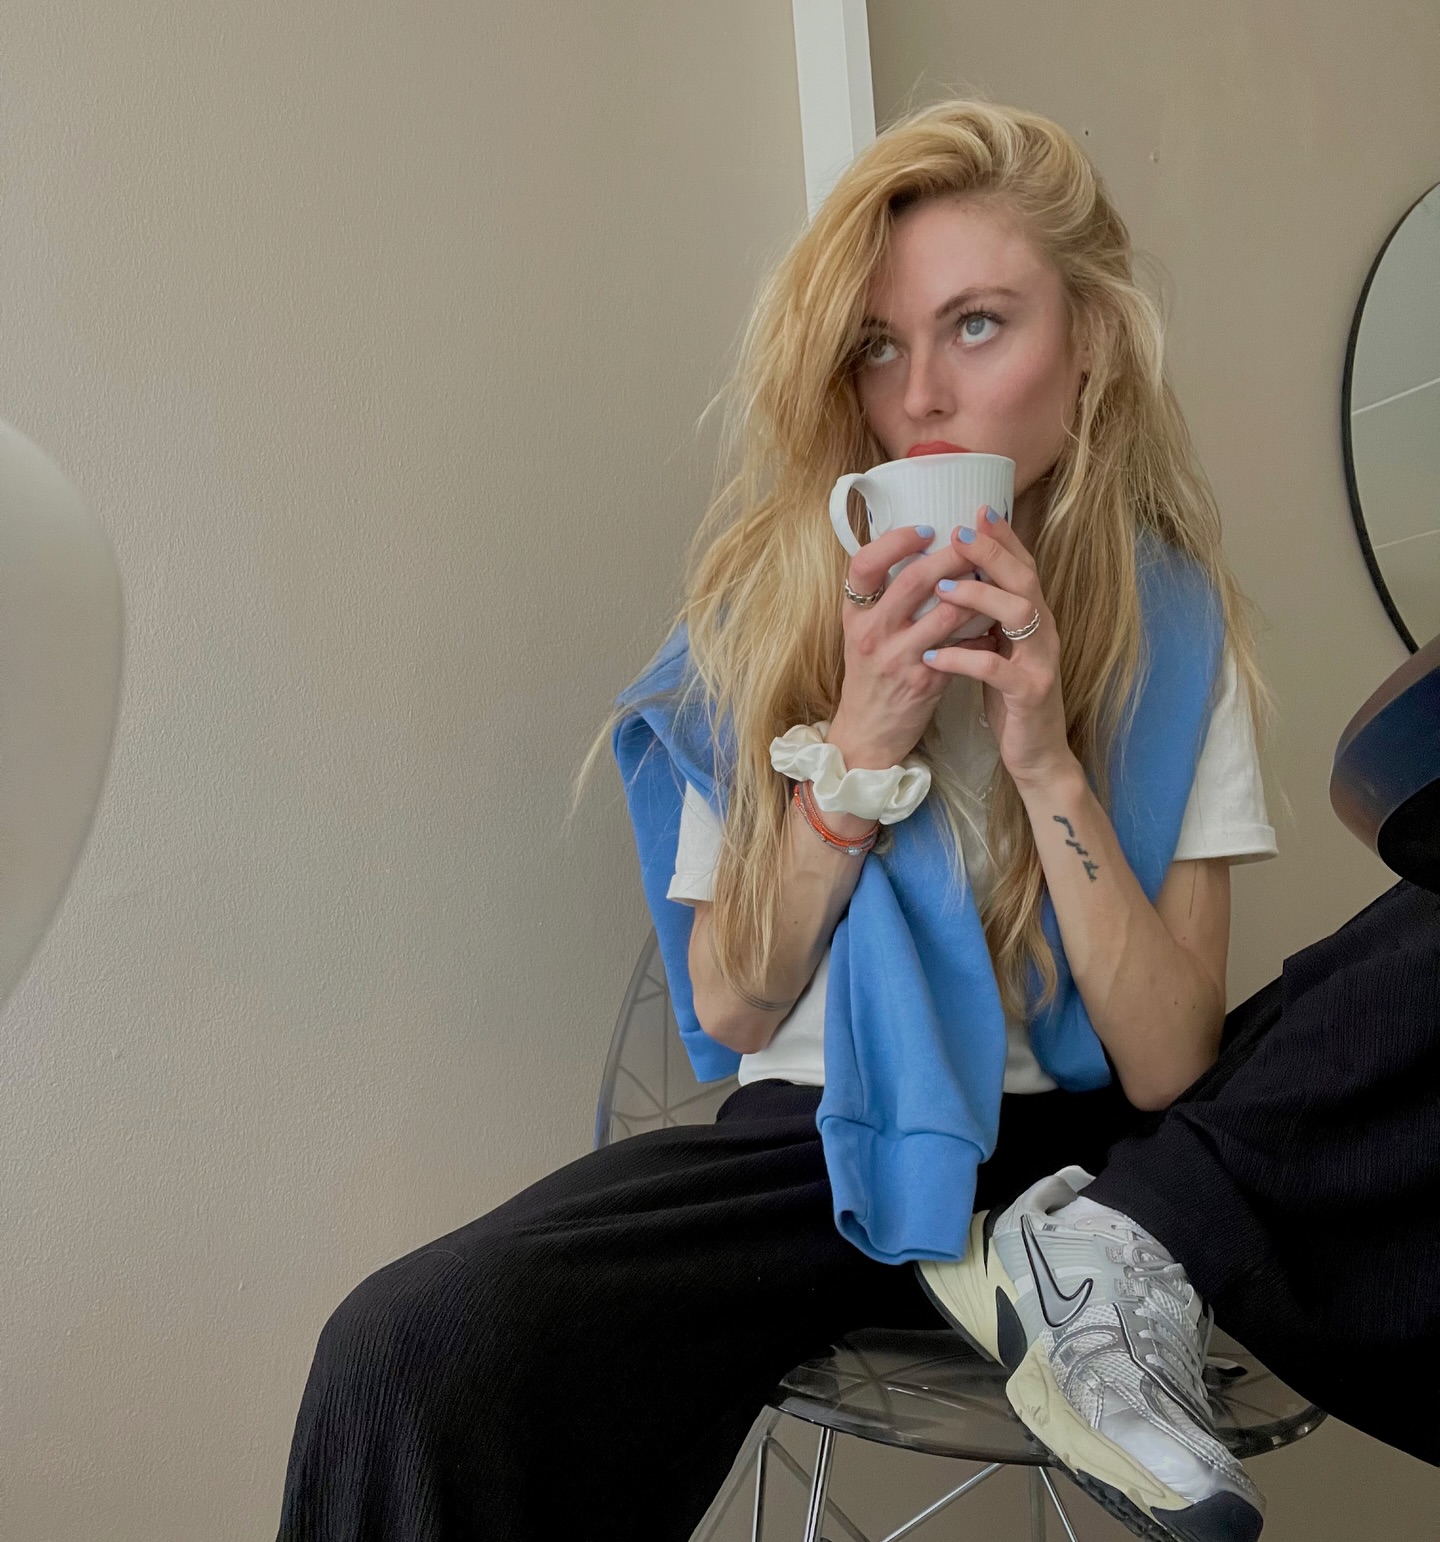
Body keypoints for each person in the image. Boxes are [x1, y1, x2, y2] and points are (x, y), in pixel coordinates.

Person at [276, 99, 1279, 1542]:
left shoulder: (1171, 632)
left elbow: (1174, 1059)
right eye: (878, 344)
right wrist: (860, 745)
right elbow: (733, 999)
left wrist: (1046, 758)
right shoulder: (761, 617)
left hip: (1081, 1195)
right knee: (408, 1348)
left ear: (1089, 349)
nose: (920, 394)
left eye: (978, 325)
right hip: (808, 1149)